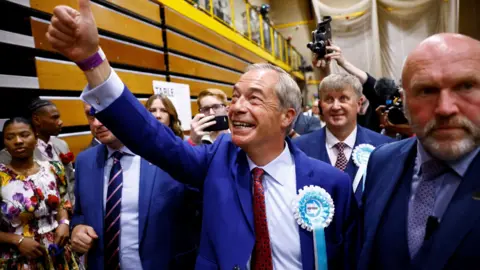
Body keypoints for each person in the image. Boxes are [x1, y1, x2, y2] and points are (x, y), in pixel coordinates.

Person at [46, 1, 358, 269]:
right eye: (234, 97)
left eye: (254, 98)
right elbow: (151, 137)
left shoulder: (331, 184)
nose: (236, 107)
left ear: (287, 116)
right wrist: (91, 61)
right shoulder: (217, 159)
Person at [358, 33, 480, 269]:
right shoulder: (381, 162)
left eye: (466, 86)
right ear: (403, 102)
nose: (445, 108)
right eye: (426, 91)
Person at [70, 102, 200, 269]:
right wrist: (77, 227)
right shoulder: (84, 161)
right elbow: (80, 212)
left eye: (104, 114)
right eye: (91, 115)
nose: (97, 123)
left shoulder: (167, 153)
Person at [294, 74, 392, 203]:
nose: (335, 106)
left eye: (343, 98)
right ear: (321, 105)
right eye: (329, 99)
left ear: (359, 104)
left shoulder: (385, 148)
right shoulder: (298, 148)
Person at [0, 117, 80, 269]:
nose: (18, 141)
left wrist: (64, 223)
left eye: (24, 135)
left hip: (58, 253)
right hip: (19, 257)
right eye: (10, 137)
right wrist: (17, 240)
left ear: (36, 138)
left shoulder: (54, 168)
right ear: (4, 143)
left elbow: (63, 202)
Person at [0, 99, 76, 206]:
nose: (60, 122)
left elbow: (70, 180)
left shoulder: (61, 144)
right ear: (37, 119)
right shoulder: (10, 154)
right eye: (55, 117)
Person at [314, 42, 383, 132]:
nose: (336, 106)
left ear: (359, 102)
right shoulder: (344, 113)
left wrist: (343, 62)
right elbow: (327, 93)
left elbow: (371, 84)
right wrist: (325, 69)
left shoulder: (377, 109)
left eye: (343, 98)